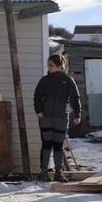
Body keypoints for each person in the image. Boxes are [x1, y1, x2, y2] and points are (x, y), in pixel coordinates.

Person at [32, 52, 82, 181]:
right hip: (46, 117)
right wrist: (39, 111)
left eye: (51, 65)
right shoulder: (44, 80)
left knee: (58, 146)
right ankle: (44, 172)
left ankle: (59, 173)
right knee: (47, 144)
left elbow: (75, 98)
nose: (49, 67)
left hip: (61, 117)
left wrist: (77, 115)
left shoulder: (68, 81)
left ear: (60, 66)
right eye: (48, 65)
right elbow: (37, 96)